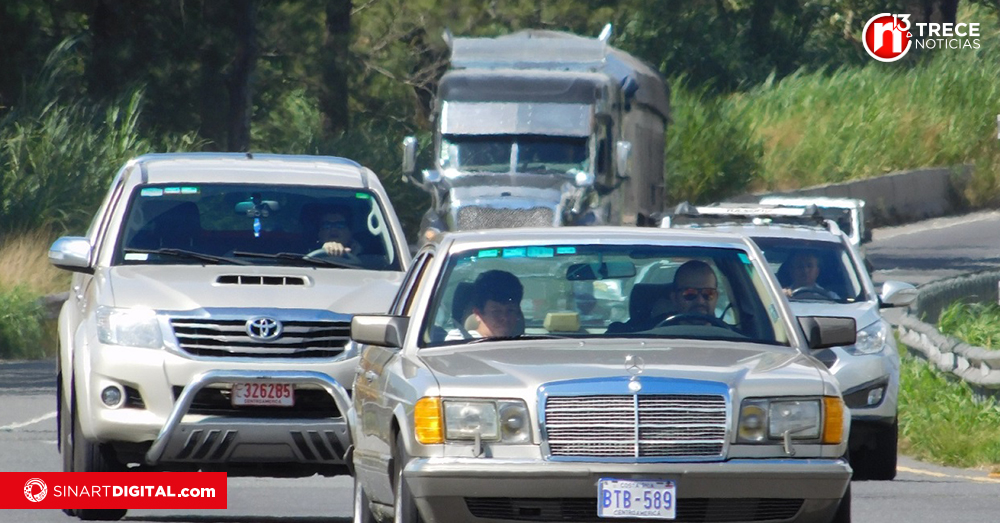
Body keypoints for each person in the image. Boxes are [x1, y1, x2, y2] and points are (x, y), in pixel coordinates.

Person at [446, 270, 524, 340]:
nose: (505, 318)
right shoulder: (458, 341)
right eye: (496, 311)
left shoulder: (527, 344)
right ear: (478, 314)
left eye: (510, 310)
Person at [665, 260, 721, 325]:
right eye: (690, 294)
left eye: (708, 293)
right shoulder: (657, 330)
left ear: (716, 298)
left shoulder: (728, 331)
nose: (700, 301)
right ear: (674, 298)